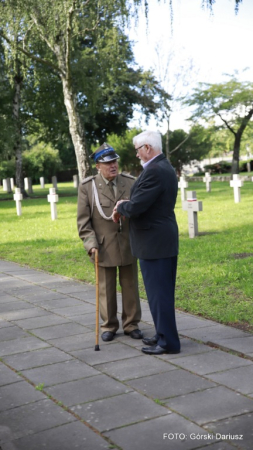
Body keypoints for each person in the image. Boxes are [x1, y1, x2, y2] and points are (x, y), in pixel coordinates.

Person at [112, 131, 180, 355]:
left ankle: (168, 342)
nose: (137, 154)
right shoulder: (162, 167)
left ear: (148, 148)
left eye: (138, 149)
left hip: (155, 242)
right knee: (158, 293)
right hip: (158, 240)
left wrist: (121, 205)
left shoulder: (155, 171)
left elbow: (138, 206)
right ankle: (163, 334)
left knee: (159, 294)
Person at [77, 142, 142, 342]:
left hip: (128, 243)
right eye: (108, 163)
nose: (113, 166)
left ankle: (131, 324)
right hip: (103, 246)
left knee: (130, 285)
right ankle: (109, 325)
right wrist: (90, 244)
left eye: (114, 161)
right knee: (106, 288)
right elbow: (83, 221)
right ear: (98, 166)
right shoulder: (88, 187)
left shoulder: (130, 182)